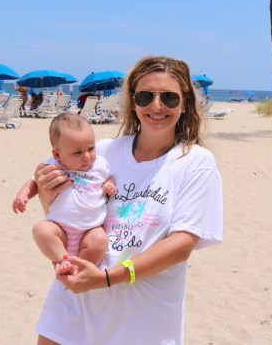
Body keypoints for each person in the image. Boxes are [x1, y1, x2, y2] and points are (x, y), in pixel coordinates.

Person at [32, 56, 223, 345]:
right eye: (146, 96)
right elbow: (65, 215)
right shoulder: (100, 152)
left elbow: (182, 245)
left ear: (185, 103)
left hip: (143, 320)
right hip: (73, 307)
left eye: (169, 97)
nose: (156, 106)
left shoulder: (196, 162)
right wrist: (46, 195)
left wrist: (107, 278)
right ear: (133, 102)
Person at [12, 113, 118, 274]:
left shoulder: (99, 165)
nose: (87, 157)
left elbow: (109, 177)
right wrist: (23, 194)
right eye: (77, 153)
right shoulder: (53, 165)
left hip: (90, 229)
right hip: (60, 229)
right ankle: (64, 260)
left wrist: (110, 184)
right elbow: (34, 181)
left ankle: (79, 270)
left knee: (100, 240)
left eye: (91, 148)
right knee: (41, 230)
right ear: (57, 154)